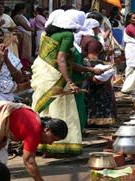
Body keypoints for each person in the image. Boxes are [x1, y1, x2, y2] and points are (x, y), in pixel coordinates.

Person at [0, 99, 68, 181]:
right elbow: (29, 161)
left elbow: (7, 122)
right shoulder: (35, 130)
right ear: (47, 130)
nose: (50, 143)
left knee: (0, 159)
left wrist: (1, 137)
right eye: (53, 139)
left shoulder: (36, 123)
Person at [31, 9, 85, 156]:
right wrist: (70, 81)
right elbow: (62, 60)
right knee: (61, 109)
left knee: (43, 109)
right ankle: (61, 144)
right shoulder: (67, 35)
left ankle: (38, 143)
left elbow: (64, 61)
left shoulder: (47, 35)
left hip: (43, 74)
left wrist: (90, 70)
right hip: (56, 77)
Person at [78, 18, 116, 126]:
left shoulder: (82, 38)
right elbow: (92, 59)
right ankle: (96, 120)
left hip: (84, 71)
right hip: (93, 71)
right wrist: (105, 66)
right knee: (97, 97)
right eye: (97, 27)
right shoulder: (92, 41)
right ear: (94, 28)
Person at [12, 3, 34, 69]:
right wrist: (32, 29)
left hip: (26, 35)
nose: (25, 10)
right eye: (24, 8)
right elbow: (27, 27)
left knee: (26, 51)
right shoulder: (18, 17)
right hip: (23, 36)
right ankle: (23, 67)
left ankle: (25, 66)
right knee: (24, 51)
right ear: (21, 9)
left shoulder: (21, 16)